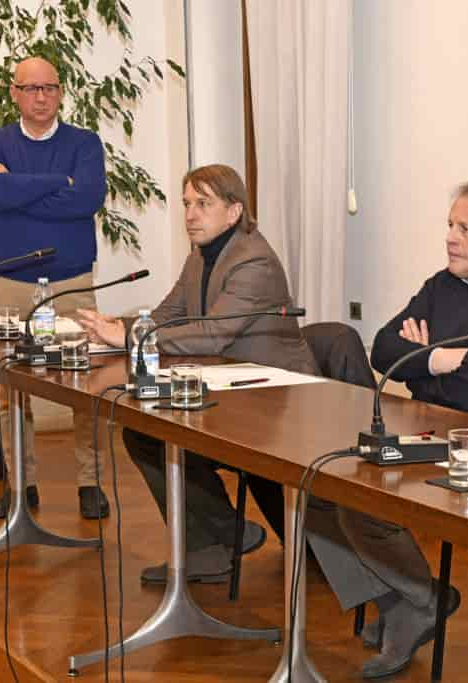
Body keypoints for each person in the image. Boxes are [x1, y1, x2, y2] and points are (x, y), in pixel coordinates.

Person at [307, 179, 468, 679]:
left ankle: (410, 600)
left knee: (358, 493)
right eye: (450, 225)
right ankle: (409, 598)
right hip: (423, 427)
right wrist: (443, 358)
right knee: (319, 479)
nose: (450, 237)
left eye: (465, 228)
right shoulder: (443, 283)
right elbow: (380, 349)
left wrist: (421, 359)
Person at [79, 164, 318, 584]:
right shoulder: (200, 257)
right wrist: (119, 328)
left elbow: (213, 333)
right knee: (144, 431)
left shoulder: (253, 259)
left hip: (271, 400)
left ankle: (223, 537)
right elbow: (166, 315)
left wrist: (130, 337)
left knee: (160, 433)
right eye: (187, 203)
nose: (189, 214)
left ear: (233, 212)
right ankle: (215, 542)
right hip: (228, 389)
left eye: (203, 204)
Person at [0, 56, 110, 520]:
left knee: (85, 381)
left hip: (70, 278)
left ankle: (90, 482)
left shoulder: (85, 143)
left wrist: (18, 188)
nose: (40, 96)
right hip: (9, 280)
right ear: (14, 92)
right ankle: (20, 484)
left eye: (48, 87)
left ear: (61, 92)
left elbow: (88, 198)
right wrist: (58, 185)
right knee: (11, 388)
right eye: (30, 88)